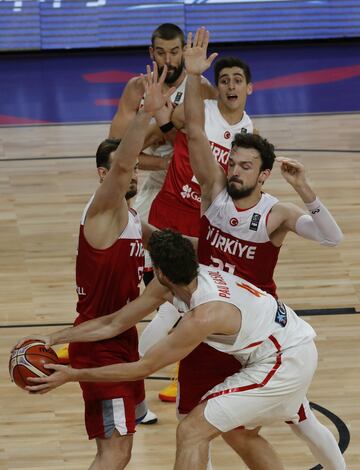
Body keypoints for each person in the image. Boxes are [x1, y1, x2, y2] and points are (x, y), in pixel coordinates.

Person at [181, 27, 345, 469]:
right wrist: (195, 78)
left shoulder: (276, 214)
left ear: (264, 174)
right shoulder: (215, 190)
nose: (234, 170)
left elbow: (333, 238)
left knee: (300, 417)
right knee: (193, 423)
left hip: (254, 331)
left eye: (245, 166)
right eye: (233, 162)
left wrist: (306, 189)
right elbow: (195, 130)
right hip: (204, 316)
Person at [17, 229, 319, 470]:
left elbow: (143, 368)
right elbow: (113, 323)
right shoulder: (178, 282)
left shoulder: (203, 315)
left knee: (192, 431)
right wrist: (53, 337)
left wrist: (71, 375)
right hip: (283, 348)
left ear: (159, 271)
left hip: (284, 359)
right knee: (238, 432)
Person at [43, 64, 173, 470]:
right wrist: (146, 114)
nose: (132, 173)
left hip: (120, 339)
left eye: (135, 168)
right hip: (100, 345)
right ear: (104, 174)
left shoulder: (130, 217)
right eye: (125, 167)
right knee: (113, 453)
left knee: (121, 450)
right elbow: (120, 165)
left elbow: (169, 244)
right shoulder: (103, 209)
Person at [140, 46, 254, 402]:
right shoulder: (201, 111)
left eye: (238, 80)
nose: (231, 86)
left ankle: (166, 369)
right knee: (164, 296)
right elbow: (170, 128)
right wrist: (158, 114)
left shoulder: (248, 132)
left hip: (202, 226)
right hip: (167, 213)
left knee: (178, 300)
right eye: (224, 80)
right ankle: (142, 362)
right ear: (216, 89)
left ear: (249, 87)